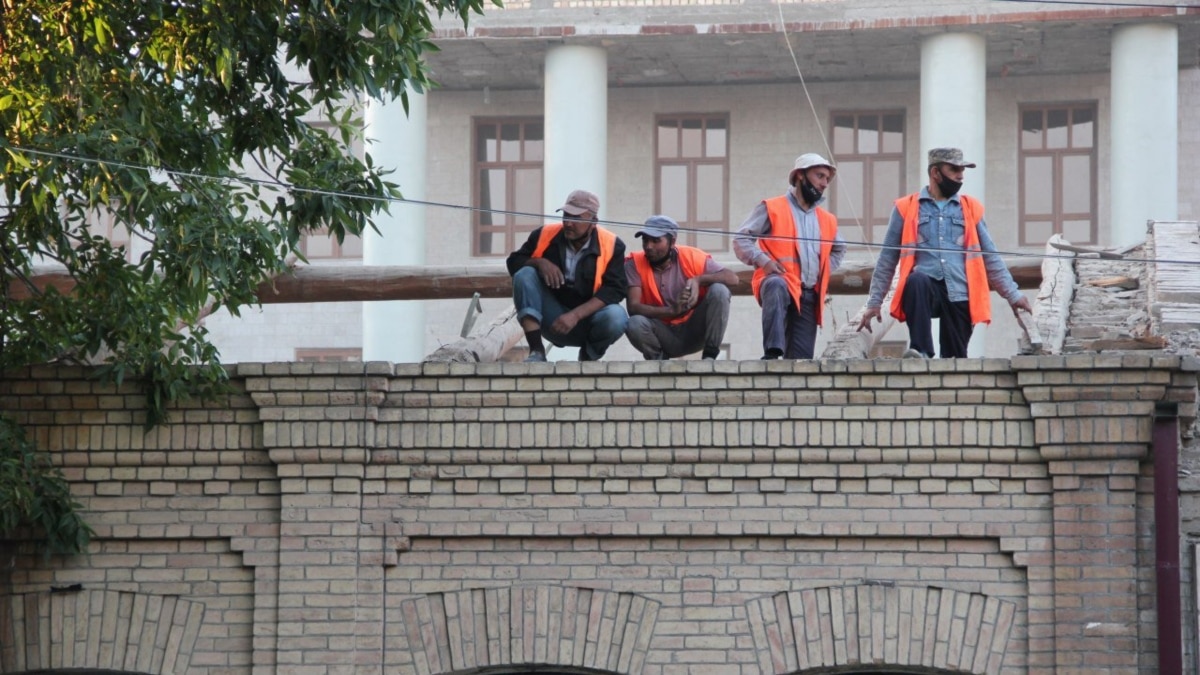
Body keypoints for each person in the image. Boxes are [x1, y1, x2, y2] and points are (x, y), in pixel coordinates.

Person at [856, 147, 1032, 358]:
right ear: (935, 173)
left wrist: (1014, 296)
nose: (960, 176)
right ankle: (921, 352)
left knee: (955, 361)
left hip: (960, 294)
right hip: (927, 289)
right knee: (916, 281)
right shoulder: (906, 208)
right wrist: (874, 302)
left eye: (962, 170)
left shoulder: (970, 208)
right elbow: (887, 259)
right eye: (954, 169)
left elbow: (991, 258)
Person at [733, 153, 847, 359]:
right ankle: (772, 351)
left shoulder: (827, 220)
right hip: (781, 284)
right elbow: (741, 239)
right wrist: (764, 262)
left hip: (809, 295)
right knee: (775, 285)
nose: (824, 184)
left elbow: (840, 249)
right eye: (820, 176)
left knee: (801, 365)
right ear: (800, 176)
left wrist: (824, 270)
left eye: (827, 179)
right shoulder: (772, 207)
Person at [507, 189, 629, 362]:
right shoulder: (543, 234)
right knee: (525, 274)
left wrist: (575, 315)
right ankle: (537, 352)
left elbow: (615, 290)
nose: (568, 223)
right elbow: (513, 262)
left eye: (576, 218)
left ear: (593, 221)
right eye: (565, 216)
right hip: (551, 320)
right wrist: (539, 263)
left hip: (588, 322)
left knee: (617, 316)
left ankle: (588, 357)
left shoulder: (613, 245)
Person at [624, 215, 739, 360]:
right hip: (661, 334)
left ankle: (710, 356)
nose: (648, 246)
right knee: (634, 323)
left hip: (694, 330)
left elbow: (733, 279)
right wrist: (672, 310)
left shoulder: (692, 256)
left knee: (720, 290)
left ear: (672, 242)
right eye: (645, 240)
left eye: (655, 241)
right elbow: (633, 307)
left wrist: (699, 280)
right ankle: (658, 363)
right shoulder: (633, 263)